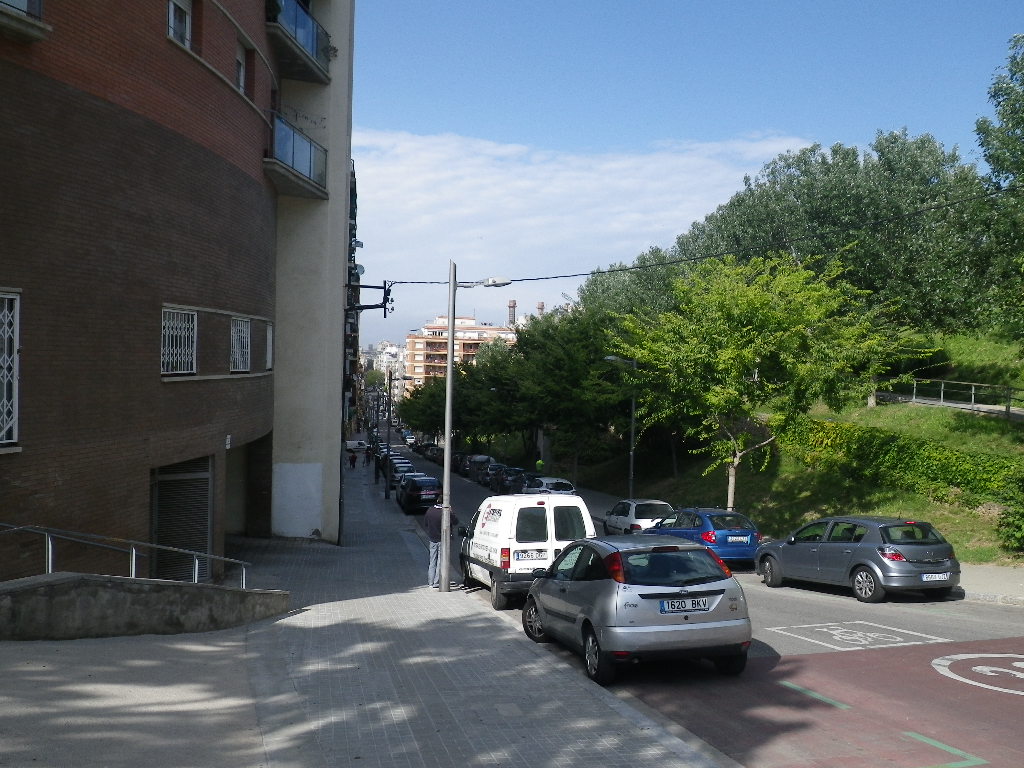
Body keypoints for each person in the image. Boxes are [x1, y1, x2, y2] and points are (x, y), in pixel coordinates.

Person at [424, 503, 459, 589]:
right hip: (443, 540)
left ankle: (430, 582)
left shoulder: (430, 510)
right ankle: (436, 582)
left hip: (432, 539)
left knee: (432, 561)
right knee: (440, 561)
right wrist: (451, 511)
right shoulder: (446, 512)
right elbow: (455, 522)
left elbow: (426, 523)